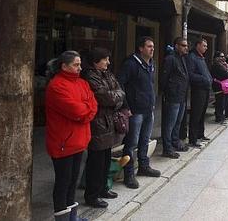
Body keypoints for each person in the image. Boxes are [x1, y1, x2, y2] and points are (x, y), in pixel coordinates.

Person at [45, 51, 97, 221]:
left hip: (80, 140)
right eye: (76, 64)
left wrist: (85, 112)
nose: (80, 68)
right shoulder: (56, 86)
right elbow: (76, 110)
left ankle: (72, 217)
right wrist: (86, 111)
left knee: (73, 182)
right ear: (64, 66)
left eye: (80, 64)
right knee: (63, 183)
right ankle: (62, 218)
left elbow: (93, 105)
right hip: (63, 143)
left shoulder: (82, 83)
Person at [81, 48, 125, 208]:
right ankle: (92, 195)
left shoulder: (107, 74)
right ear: (95, 61)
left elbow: (119, 92)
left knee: (106, 159)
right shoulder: (90, 76)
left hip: (108, 121)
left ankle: (103, 188)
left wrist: (115, 97)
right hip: (97, 123)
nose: (108, 62)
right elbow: (106, 97)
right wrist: (115, 97)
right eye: (105, 59)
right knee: (96, 161)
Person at [118, 36, 161, 189]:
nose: (152, 49)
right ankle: (128, 173)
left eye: (153, 47)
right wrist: (125, 106)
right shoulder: (131, 64)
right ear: (140, 48)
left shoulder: (151, 64)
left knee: (144, 140)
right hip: (135, 110)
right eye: (149, 46)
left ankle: (144, 166)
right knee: (131, 142)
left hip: (148, 108)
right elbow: (120, 84)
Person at [159, 37, 190, 159]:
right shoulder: (170, 59)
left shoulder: (182, 59)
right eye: (183, 45)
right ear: (176, 46)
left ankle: (175, 142)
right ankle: (167, 148)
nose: (186, 47)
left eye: (186, 45)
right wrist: (168, 92)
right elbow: (164, 78)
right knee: (169, 124)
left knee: (177, 122)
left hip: (181, 96)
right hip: (173, 96)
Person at [186, 39, 212, 148]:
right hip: (198, 90)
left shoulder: (201, 57)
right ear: (198, 45)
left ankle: (201, 134)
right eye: (204, 45)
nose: (206, 48)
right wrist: (204, 79)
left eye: (206, 46)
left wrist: (209, 78)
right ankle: (193, 139)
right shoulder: (192, 57)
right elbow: (190, 74)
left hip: (205, 89)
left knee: (202, 114)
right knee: (196, 115)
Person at [211, 51, 228, 123]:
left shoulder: (223, 65)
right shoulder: (216, 65)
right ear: (216, 58)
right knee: (220, 103)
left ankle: (221, 116)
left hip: (224, 86)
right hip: (219, 86)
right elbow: (227, 75)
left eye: (223, 56)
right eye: (221, 56)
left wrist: (227, 68)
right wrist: (227, 70)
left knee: (223, 102)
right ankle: (219, 117)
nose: (223, 58)